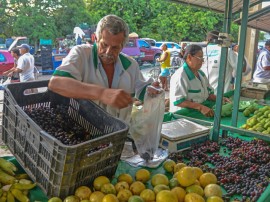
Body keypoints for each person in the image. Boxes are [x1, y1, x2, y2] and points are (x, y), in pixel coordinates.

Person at [48, 15, 160, 124]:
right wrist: (102, 93)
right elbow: (56, 83)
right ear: (95, 38)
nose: (108, 52)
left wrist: (153, 91)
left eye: (115, 47)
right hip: (85, 134)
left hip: (118, 135)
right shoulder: (81, 53)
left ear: (123, 46)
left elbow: (143, 90)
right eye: (104, 45)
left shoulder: (131, 65)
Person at [169, 44, 230, 117]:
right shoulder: (180, 76)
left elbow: (208, 94)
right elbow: (178, 102)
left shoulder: (201, 74)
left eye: (203, 58)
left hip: (197, 115)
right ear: (189, 57)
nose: (202, 61)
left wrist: (220, 99)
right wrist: (200, 107)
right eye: (200, 58)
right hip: (182, 117)